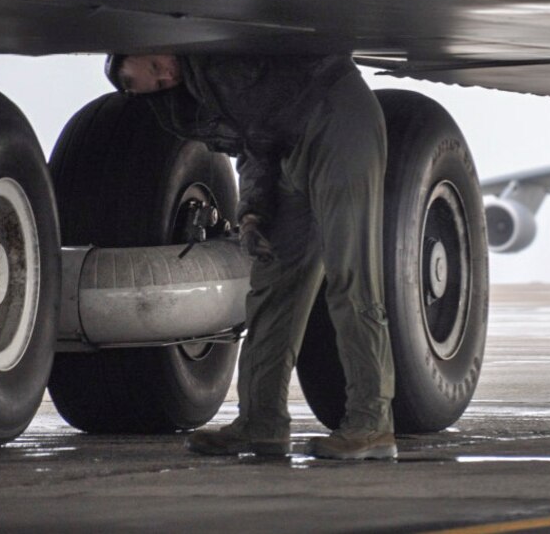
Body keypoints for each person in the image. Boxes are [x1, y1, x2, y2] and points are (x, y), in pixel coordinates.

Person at [104, 51, 396, 460]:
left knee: (351, 278)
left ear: (159, 49)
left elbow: (260, 126)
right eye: (155, 83)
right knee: (272, 284)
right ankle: (262, 423)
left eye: (154, 67)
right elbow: (254, 145)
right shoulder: (197, 95)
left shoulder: (219, 59)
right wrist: (253, 213)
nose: (163, 76)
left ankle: (372, 424)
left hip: (337, 120)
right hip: (287, 150)